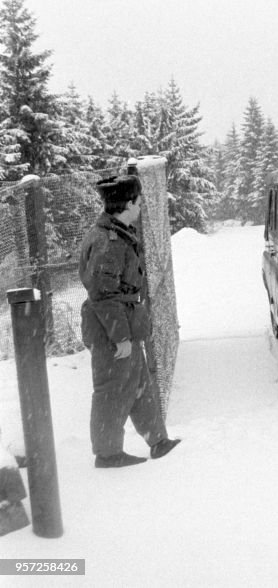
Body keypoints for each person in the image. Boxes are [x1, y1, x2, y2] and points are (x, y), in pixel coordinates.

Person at [79, 175, 180, 468]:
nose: (141, 207)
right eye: (138, 201)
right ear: (128, 203)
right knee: (112, 390)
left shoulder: (118, 233)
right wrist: (120, 337)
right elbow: (102, 294)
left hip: (125, 323)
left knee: (139, 385)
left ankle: (158, 441)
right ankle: (107, 454)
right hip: (111, 330)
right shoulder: (108, 242)